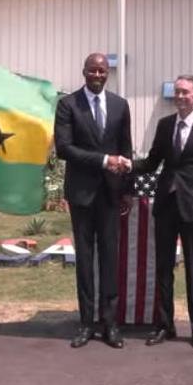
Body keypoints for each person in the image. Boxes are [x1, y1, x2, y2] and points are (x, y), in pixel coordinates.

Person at [120, 74, 193, 349]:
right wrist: (127, 164)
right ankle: (164, 325)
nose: (180, 96)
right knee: (163, 268)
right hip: (166, 207)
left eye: (185, 92)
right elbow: (152, 162)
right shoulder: (165, 125)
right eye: (177, 92)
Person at [54, 52, 133, 349]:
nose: (98, 75)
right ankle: (86, 323)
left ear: (108, 73)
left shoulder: (120, 105)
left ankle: (110, 324)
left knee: (110, 259)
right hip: (82, 194)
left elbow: (126, 149)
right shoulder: (68, 105)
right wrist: (103, 160)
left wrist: (127, 190)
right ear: (84, 72)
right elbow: (64, 148)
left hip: (111, 194)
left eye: (102, 70)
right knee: (85, 261)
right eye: (93, 70)